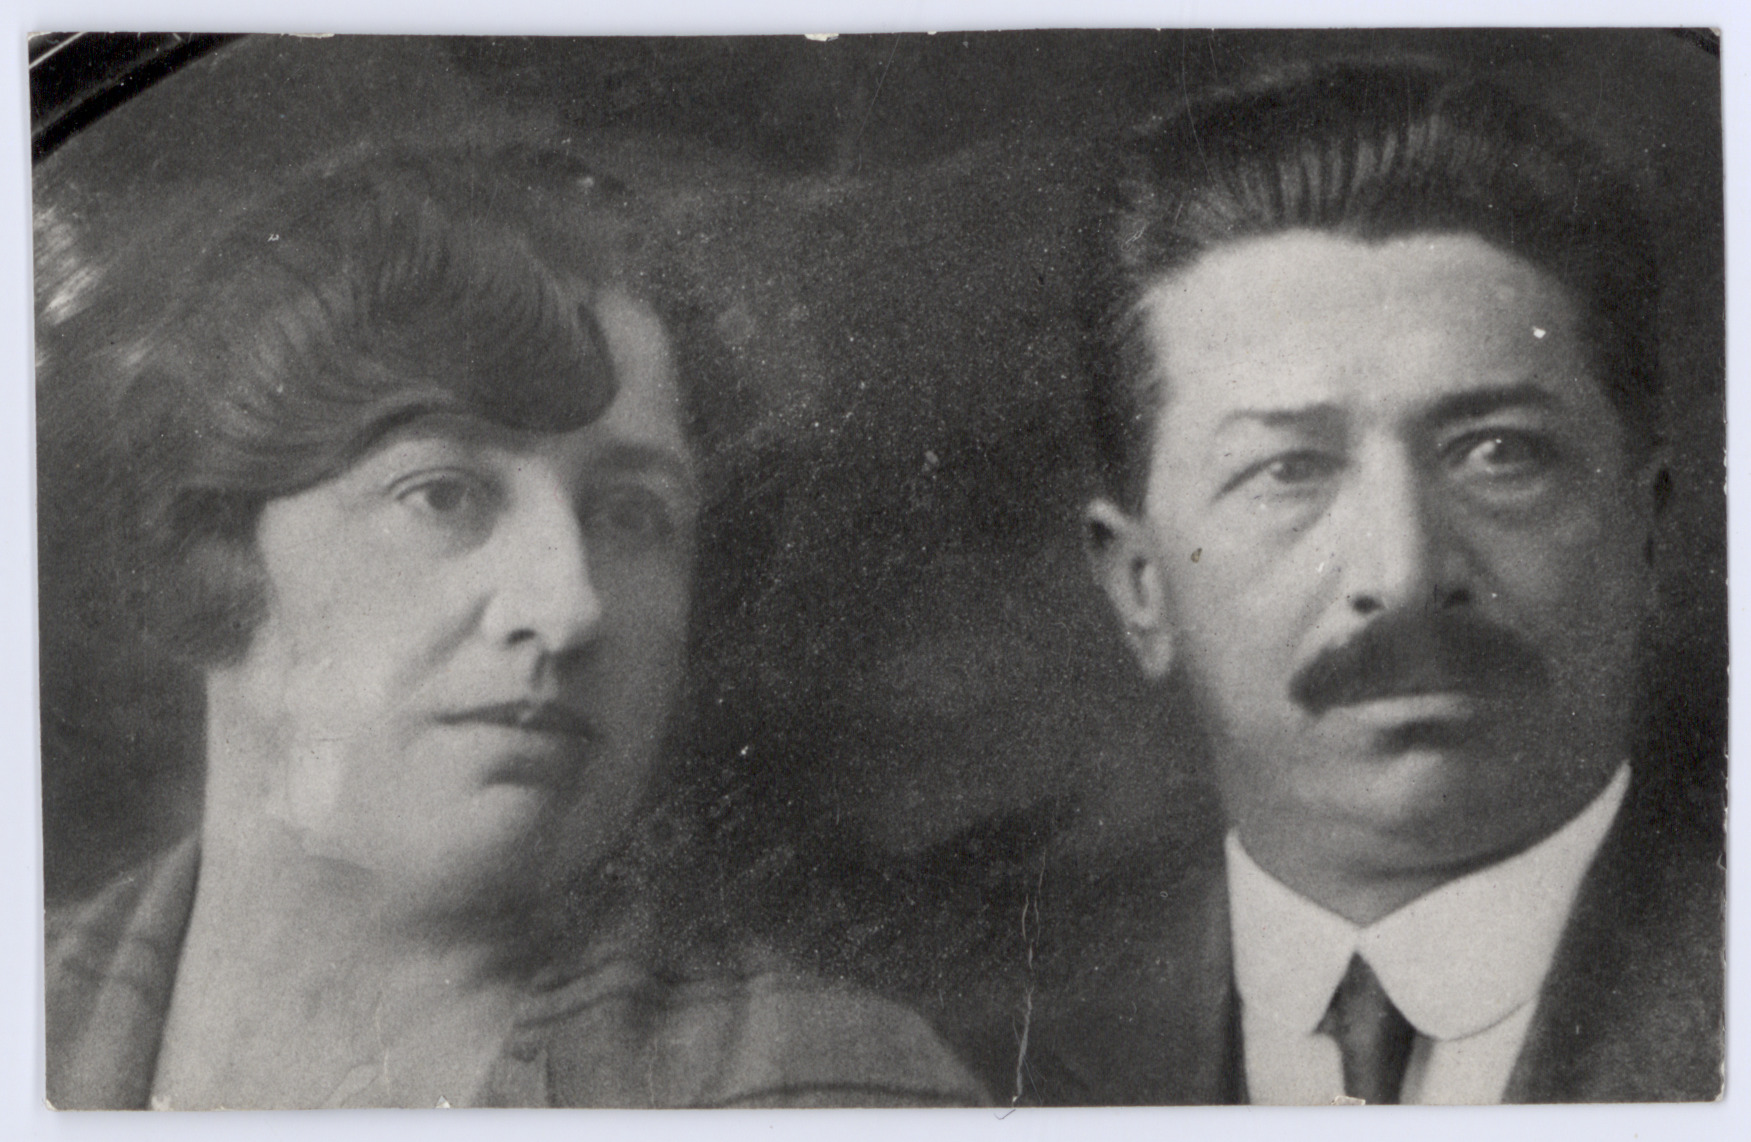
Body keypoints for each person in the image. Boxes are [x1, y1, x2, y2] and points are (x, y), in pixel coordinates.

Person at [41, 145, 989, 1109]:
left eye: (633, 514)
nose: (569, 606)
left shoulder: (825, 1095)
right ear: (211, 539)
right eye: (444, 494)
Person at [1016, 61, 1722, 1104]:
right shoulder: (1001, 1075)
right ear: (1139, 586)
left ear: (1647, 531)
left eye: (1497, 454)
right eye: (1286, 469)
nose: (1402, 574)